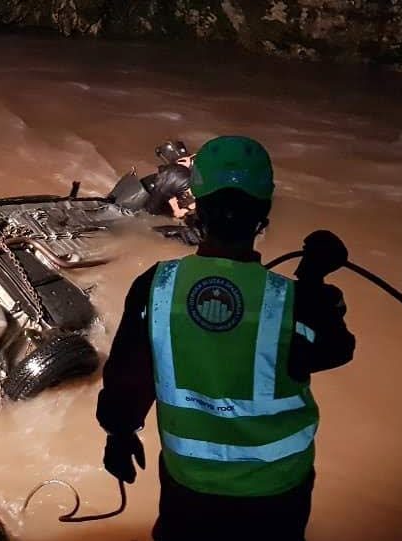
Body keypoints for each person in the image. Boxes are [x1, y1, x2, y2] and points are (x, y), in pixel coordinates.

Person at [95, 135, 355, 541]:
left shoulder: (156, 287)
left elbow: (128, 379)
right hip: (277, 490)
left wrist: (120, 435)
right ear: (264, 214)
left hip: (191, 486)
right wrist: (313, 276)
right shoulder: (295, 301)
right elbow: (337, 349)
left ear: (198, 208)